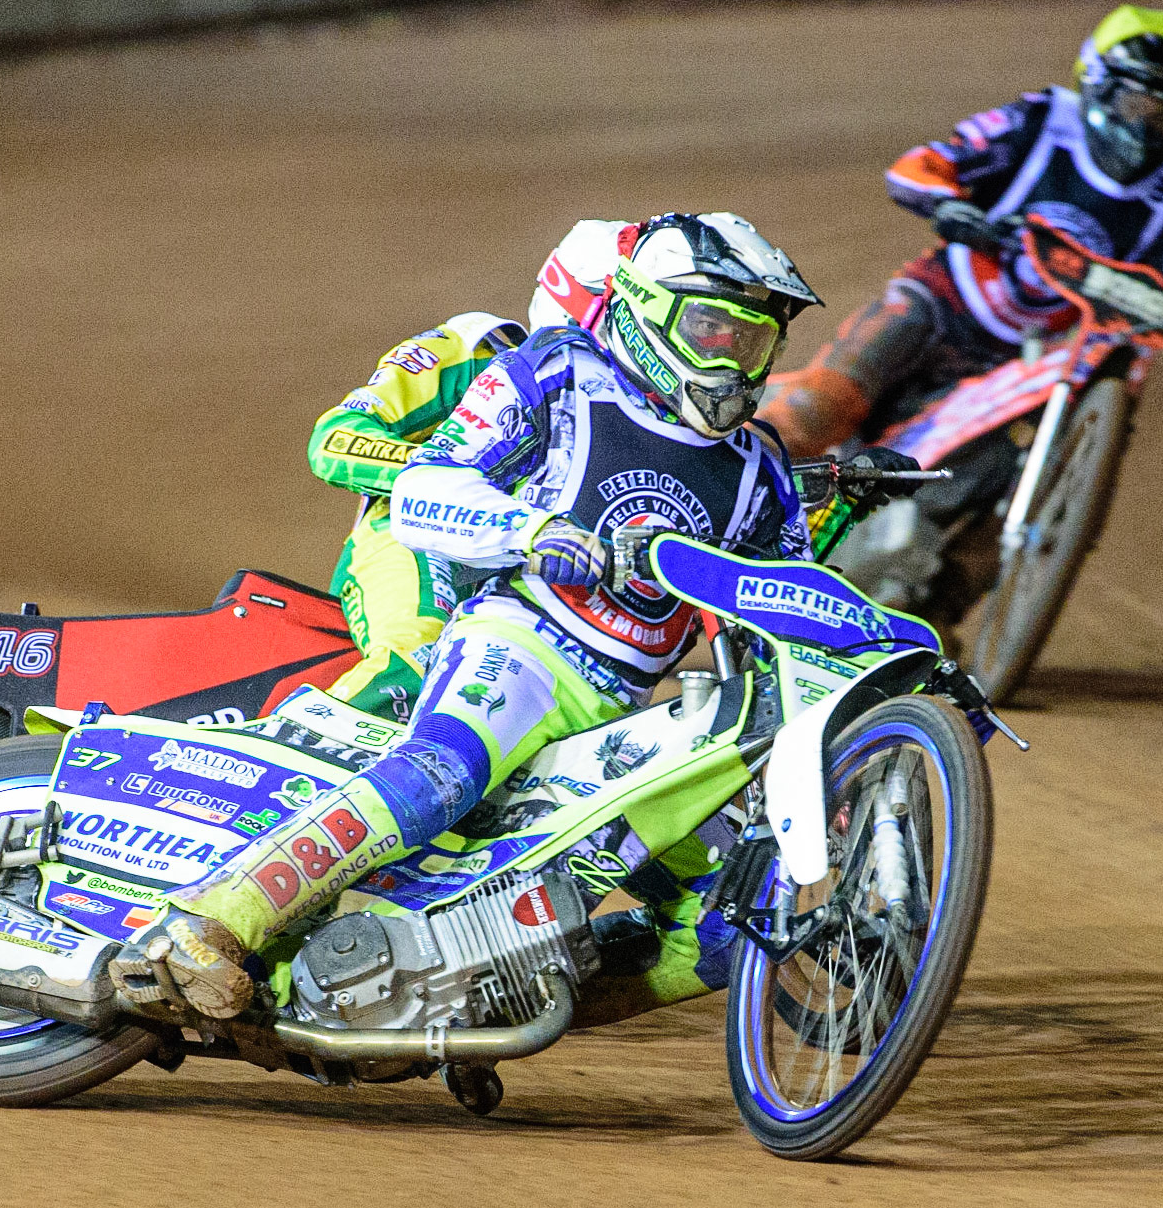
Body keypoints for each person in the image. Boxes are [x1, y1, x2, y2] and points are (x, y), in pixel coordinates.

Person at [113, 213, 832, 1021]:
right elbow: (417, 483)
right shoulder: (547, 372)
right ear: (639, 308)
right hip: (519, 640)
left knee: (731, 923)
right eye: (712, 332)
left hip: (625, 705)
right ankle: (203, 922)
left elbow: (781, 594)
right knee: (438, 765)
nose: (732, 361)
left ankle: (469, 1000)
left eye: (751, 341)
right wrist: (530, 529)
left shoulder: (760, 463)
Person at [757, 4, 1163, 461]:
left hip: (1024, 365)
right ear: (1097, 81)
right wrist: (949, 206)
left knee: (993, 494)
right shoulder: (1043, 121)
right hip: (940, 303)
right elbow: (924, 164)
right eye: (1137, 106)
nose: (1146, 131)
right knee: (817, 414)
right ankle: (726, 484)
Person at [308, 312, 527, 721]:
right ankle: (277, 754)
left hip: (525, 563)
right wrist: (441, 475)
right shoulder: (475, 348)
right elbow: (333, 442)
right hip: (419, 535)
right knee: (431, 656)